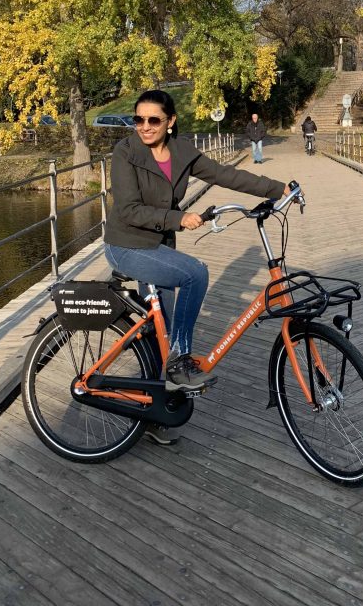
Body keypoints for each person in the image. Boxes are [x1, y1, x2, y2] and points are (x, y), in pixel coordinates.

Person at [104, 89, 289, 444]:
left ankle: (159, 415)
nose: (144, 126)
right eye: (138, 119)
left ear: (170, 122)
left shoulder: (182, 152)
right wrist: (179, 217)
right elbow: (127, 210)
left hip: (158, 246)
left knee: (165, 331)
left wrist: (277, 188)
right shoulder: (125, 152)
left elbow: (224, 175)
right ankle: (180, 363)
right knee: (195, 273)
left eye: (153, 120)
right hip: (127, 246)